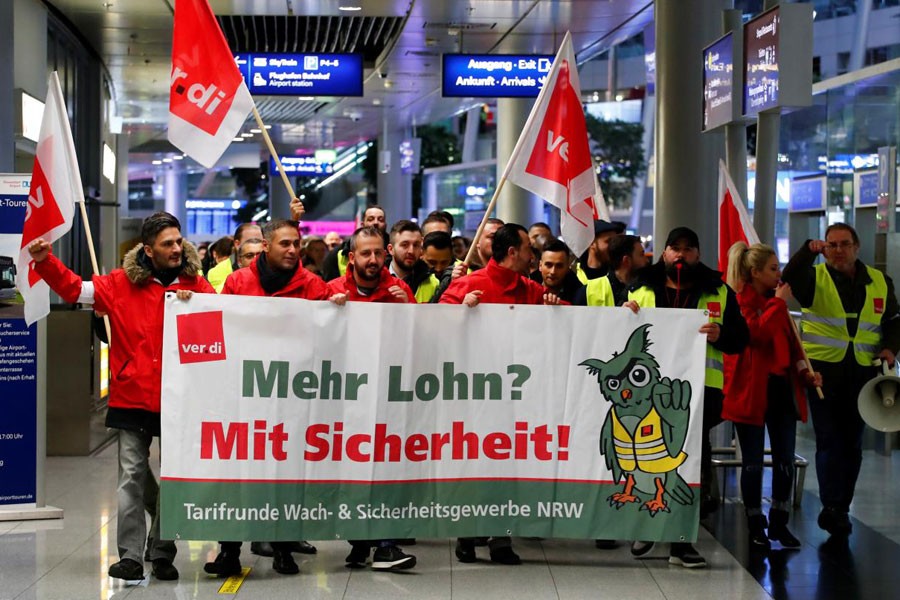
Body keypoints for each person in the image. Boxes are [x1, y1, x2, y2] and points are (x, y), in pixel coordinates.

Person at [28, 212, 214, 581]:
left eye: (179, 241)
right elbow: (72, 290)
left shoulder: (199, 286)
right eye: (168, 244)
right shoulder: (119, 283)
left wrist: (202, 307)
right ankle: (130, 555)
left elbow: (217, 332)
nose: (177, 248)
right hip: (132, 395)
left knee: (174, 477)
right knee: (132, 475)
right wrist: (44, 261)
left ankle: (162, 551)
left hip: (181, 398)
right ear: (148, 249)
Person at [204, 220, 330, 577]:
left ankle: (283, 548)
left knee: (286, 477)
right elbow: (219, 325)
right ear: (266, 247)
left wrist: (337, 306)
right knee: (238, 477)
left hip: (291, 396)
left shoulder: (312, 286)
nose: (293, 250)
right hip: (244, 395)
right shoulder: (238, 283)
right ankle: (230, 550)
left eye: (297, 244)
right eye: (285, 244)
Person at [624, 226, 749, 568]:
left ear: (698, 254)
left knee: (691, 465)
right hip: (648, 396)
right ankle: (648, 528)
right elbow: (619, 338)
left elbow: (740, 338)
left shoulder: (720, 292)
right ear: (664, 253)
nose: (681, 255)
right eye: (674, 248)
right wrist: (625, 314)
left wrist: (721, 333)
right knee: (646, 460)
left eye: (688, 249)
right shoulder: (641, 288)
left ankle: (681, 541)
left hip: (698, 397)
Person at [441, 223, 561, 565]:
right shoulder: (467, 285)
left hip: (516, 397)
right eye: (528, 250)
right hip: (472, 396)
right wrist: (458, 308)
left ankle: (500, 538)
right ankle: (467, 534)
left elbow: (575, 320)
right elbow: (432, 324)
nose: (532, 257)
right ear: (513, 253)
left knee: (508, 466)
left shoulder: (531, 289)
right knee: (473, 467)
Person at [781, 223, 900, 537]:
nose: (837, 250)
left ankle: (842, 506)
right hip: (823, 373)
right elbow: (790, 275)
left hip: (863, 373)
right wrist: (808, 249)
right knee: (829, 440)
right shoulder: (814, 278)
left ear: (857, 247)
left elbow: (894, 321)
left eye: (844, 244)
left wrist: (890, 348)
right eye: (831, 245)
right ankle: (832, 506)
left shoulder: (878, 281)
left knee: (853, 444)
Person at [328, 226, 417, 571]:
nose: (373, 260)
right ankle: (361, 540)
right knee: (350, 472)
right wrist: (331, 311)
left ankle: (385, 544)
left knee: (384, 470)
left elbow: (418, 340)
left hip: (386, 399)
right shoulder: (334, 291)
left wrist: (408, 309)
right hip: (345, 401)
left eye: (379, 253)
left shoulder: (399, 290)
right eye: (365, 253)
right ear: (352, 258)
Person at [723, 241, 822, 550]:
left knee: (784, 461)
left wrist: (805, 372)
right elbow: (756, 335)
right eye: (773, 269)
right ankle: (755, 522)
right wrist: (778, 304)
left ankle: (779, 522)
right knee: (752, 462)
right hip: (751, 393)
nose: (779, 275)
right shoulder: (741, 302)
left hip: (781, 392)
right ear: (755, 272)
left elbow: (793, 346)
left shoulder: (777, 306)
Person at [575, 234, 648, 307]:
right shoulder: (588, 292)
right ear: (626, 261)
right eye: (641, 255)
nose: (646, 260)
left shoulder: (649, 290)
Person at [320, 205, 388, 281]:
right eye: (370, 219)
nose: (375, 222)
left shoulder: (394, 251)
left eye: (380, 219)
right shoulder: (338, 253)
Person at [387, 220, 437, 303]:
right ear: (391, 249)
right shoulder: (375, 279)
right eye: (405, 245)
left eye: (416, 245)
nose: (411, 251)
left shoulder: (433, 283)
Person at [207, 223, 262, 292]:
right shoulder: (216, 273)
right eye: (250, 241)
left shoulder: (273, 269)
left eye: (260, 241)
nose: (255, 245)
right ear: (237, 244)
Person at [531, 239, 582, 303]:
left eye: (559, 266)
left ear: (567, 267)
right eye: (549, 265)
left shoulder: (579, 294)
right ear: (540, 266)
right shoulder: (528, 288)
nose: (553, 272)